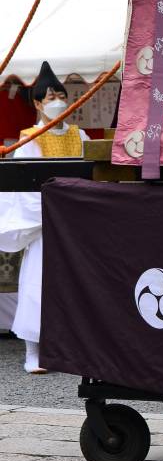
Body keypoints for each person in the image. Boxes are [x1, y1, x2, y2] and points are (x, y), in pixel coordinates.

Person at [0, 62, 88, 373]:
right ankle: (32, 353)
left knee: (79, 285)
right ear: (37, 103)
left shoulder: (82, 136)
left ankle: (75, 348)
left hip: (77, 224)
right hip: (46, 224)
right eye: (49, 96)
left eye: (60, 94)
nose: (56, 101)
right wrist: (52, 211)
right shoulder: (28, 139)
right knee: (37, 283)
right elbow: (25, 190)